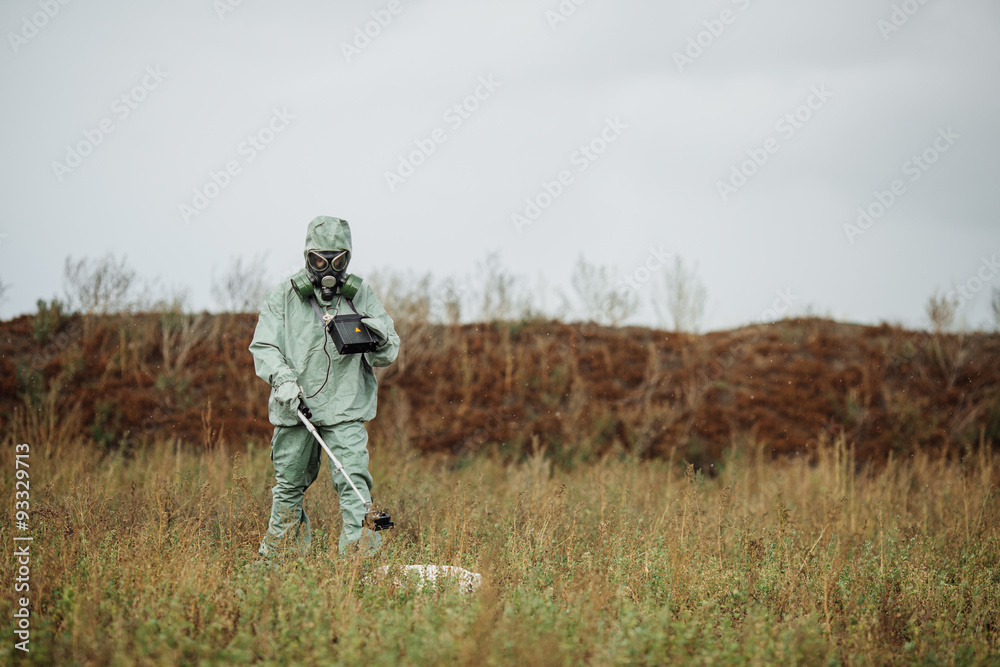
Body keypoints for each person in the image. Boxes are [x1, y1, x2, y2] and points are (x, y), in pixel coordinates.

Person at [249, 215, 400, 559]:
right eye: (319, 259)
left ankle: (361, 567)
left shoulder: (361, 295)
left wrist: (370, 329)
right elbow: (264, 347)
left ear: (348, 258)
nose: (327, 267)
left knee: (354, 487)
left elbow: (388, 351)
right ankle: (279, 562)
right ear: (307, 256)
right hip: (296, 410)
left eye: (338, 259)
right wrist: (284, 381)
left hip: (345, 408)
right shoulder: (283, 296)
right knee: (288, 489)